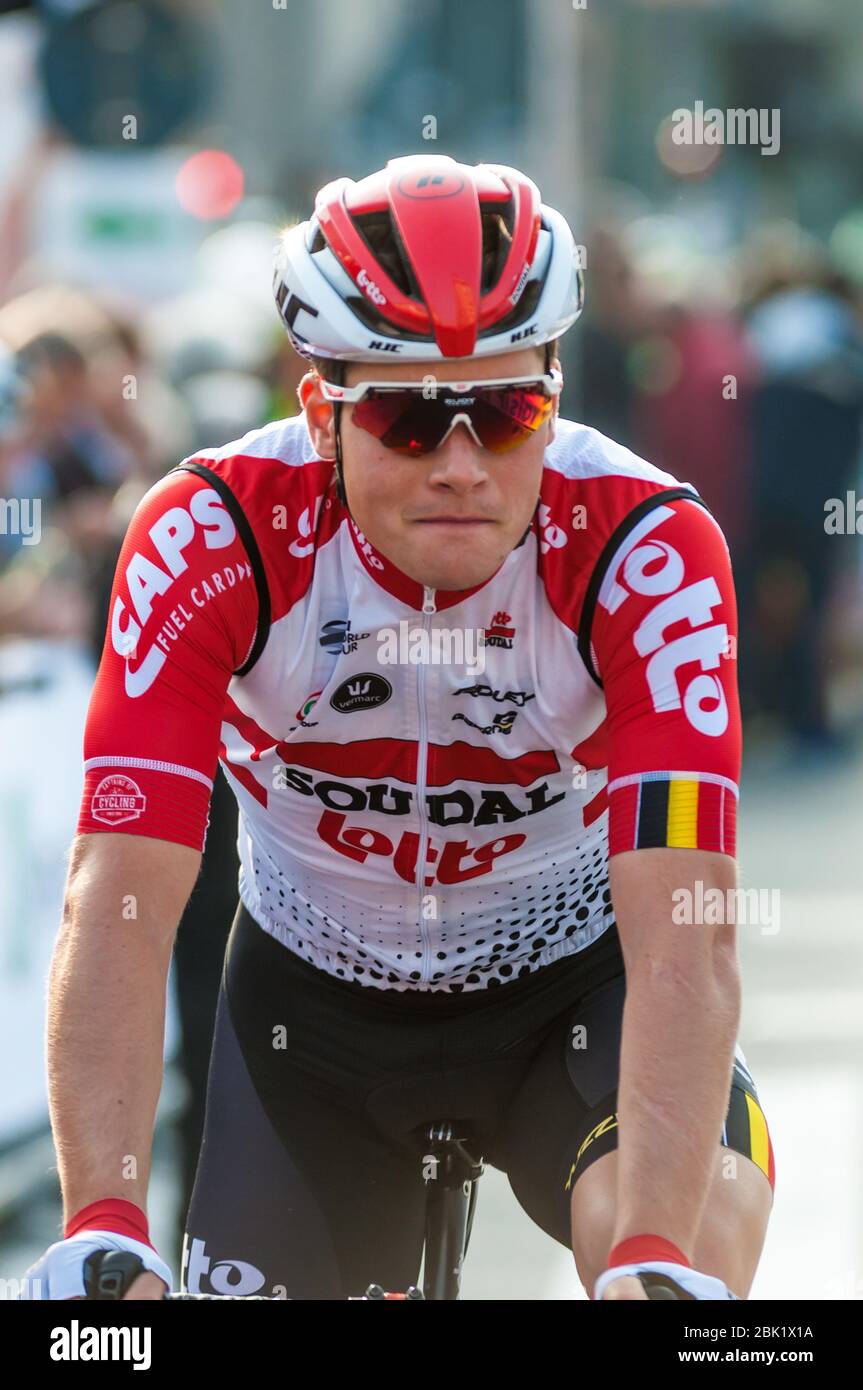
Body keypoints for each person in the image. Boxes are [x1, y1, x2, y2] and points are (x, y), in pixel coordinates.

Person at [24, 154, 774, 1303]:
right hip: (312, 1014)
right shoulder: (212, 534)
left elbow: (684, 923)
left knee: (678, 1254)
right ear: (319, 411)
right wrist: (102, 1224)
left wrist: (649, 1257)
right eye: (410, 417)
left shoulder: (646, 548)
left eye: (507, 409)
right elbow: (118, 895)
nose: (462, 465)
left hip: (571, 999)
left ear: (554, 398)